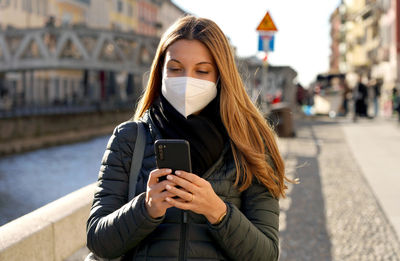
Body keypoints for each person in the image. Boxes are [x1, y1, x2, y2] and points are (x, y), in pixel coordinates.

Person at [86, 16, 290, 261]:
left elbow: (266, 254)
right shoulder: (129, 139)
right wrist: (146, 208)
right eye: (175, 68)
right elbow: (98, 241)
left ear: (220, 76)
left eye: (202, 71)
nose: (187, 80)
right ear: (160, 71)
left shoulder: (250, 145)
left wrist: (217, 211)